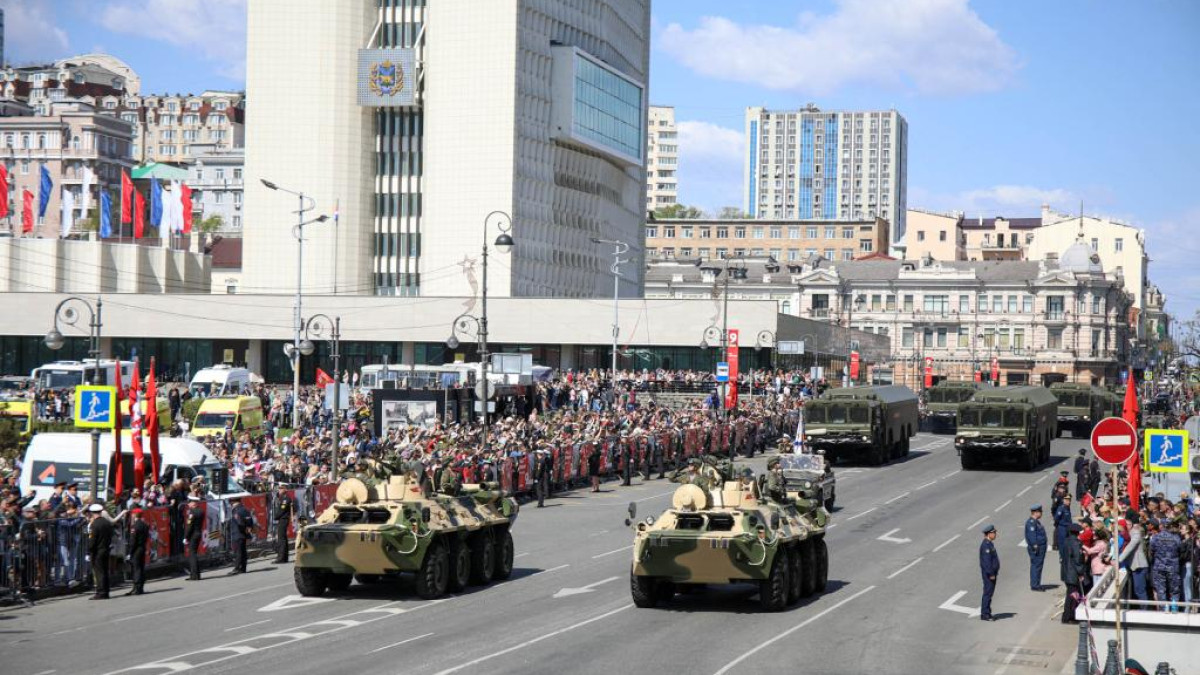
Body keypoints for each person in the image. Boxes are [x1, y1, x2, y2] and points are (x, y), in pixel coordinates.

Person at [1149, 521, 1183, 612]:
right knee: (1174, 590)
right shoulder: (1176, 538)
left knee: (1161, 590)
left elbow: (1151, 552)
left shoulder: (1155, 537)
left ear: (1161, 526)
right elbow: (1181, 551)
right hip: (1173, 567)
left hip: (1159, 567)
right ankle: (1174, 609)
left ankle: (1164, 609)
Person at [86, 504, 113, 600]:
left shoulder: (94, 524)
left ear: (92, 513)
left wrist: (89, 551)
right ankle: (106, 591)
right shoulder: (106, 523)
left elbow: (92, 540)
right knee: (105, 571)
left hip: (97, 551)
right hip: (106, 548)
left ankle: (101, 592)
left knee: (99, 572)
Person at [1060, 523, 1086, 623]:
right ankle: (1069, 617)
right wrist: (1080, 572)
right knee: (1073, 596)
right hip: (1073, 573)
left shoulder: (1066, 541)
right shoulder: (1076, 543)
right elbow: (1078, 559)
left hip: (1066, 571)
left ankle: (1068, 616)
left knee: (1070, 594)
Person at [125, 508, 149, 596]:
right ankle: (140, 587)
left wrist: (129, 552)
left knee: (136, 568)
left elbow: (133, 541)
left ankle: (137, 587)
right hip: (142, 547)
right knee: (141, 567)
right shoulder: (145, 524)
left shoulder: (135, 526)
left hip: (136, 549)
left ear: (134, 515)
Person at [1024, 504, 1048, 591]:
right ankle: (1035, 585)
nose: (1041, 513)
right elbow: (1032, 536)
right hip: (1037, 548)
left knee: (1038, 565)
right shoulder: (1031, 523)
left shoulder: (1036, 522)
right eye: (1040, 512)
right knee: (1036, 566)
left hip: (1041, 547)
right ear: (1035, 512)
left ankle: (1037, 583)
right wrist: (1035, 546)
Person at [979, 524, 1000, 621]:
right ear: (989, 534)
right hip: (989, 575)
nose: (995, 534)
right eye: (994, 532)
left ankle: (987, 612)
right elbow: (987, 562)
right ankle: (985, 614)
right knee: (987, 593)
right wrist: (991, 574)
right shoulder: (986, 546)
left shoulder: (989, 544)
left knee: (989, 593)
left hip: (992, 574)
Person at [185, 495, 205, 580]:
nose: (188, 504)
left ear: (193, 503)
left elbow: (189, 526)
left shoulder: (192, 512)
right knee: (194, 553)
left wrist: (186, 537)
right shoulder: (201, 511)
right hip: (198, 533)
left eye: (189, 502)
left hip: (193, 534)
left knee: (192, 555)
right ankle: (197, 574)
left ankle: (194, 575)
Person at [272, 486, 293, 564]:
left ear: (285, 489)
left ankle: (281, 558)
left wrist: (276, 516)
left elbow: (282, 510)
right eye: (279, 489)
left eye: (281, 488)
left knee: (281, 539)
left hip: (283, 519)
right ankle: (284, 557)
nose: (279, 490)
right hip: (282, 519)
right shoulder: (282, 498)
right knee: (283, 538)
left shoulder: (286, 499)